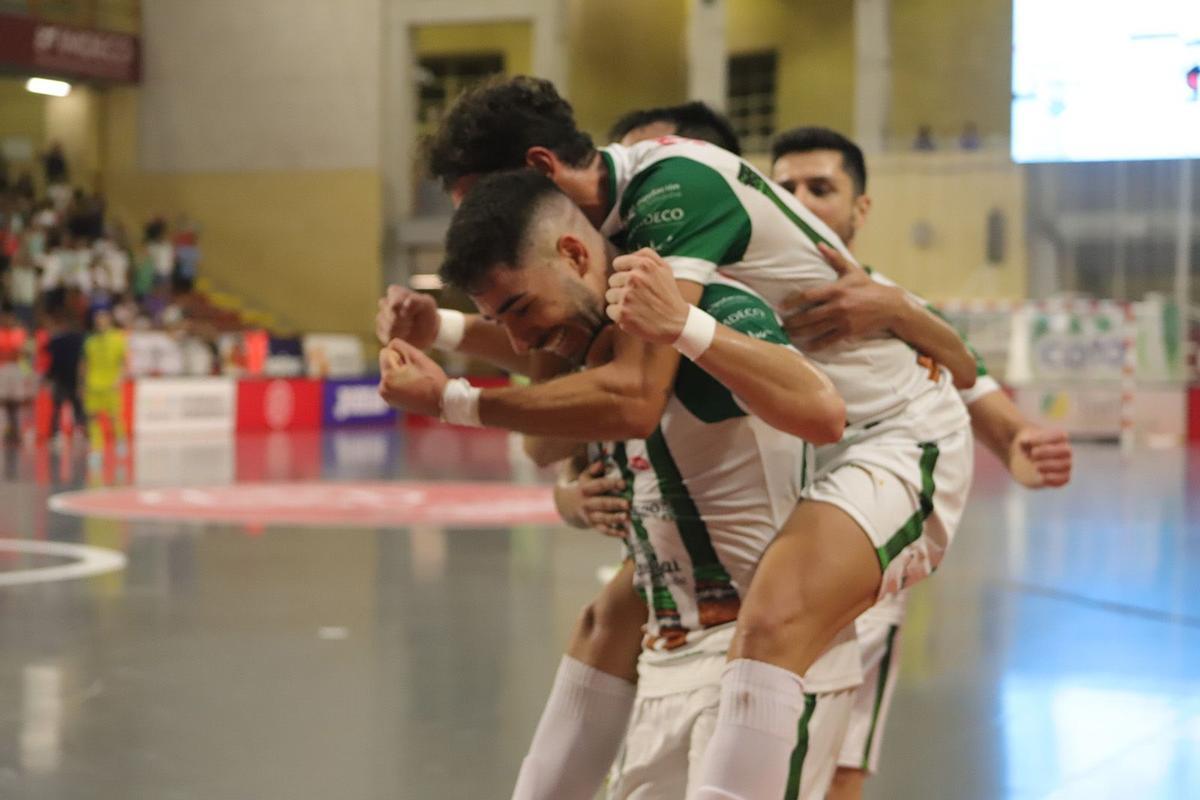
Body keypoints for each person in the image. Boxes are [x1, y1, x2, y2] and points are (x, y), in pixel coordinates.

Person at [380, 76, 978, 799]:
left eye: (487, 202)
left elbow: (631, 396)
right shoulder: (598, 248)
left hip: (891, 434)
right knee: (613, 616)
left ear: (540, 174)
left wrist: (450, 399)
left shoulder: (670, 198)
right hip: (800, 448)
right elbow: (552, 371)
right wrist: (441, 330)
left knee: (778, 613)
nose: (491, 222)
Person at [770, 125, 1074, 799]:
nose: (801, 199)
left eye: (822, 187)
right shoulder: (739, 295)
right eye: (784, 186)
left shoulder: (900, 309)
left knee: (839, 767)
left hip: (862, 575)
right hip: (755, 569)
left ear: (861, 208)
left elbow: (987, 406)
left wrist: (1020, 441)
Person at [81, 308, 127, 459]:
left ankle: (120, 441)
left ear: (109, 321)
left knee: (114, 416)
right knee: (93, 417)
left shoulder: (118, 339)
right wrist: (82, 383)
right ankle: (96, 448)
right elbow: (85, 363)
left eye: (103, 320)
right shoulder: (90, 341)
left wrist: (119, 378)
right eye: (97, 320)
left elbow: (124, 362)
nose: (100, 323)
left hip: (110, 385)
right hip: (93, 384)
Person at [44, 311, 86, 448]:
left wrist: (49, 376)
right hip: (73, 378)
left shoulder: (57, 340)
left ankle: (56, 433)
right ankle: (80, 431)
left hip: (61, 377)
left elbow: (51, 358)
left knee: (58, 406)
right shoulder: (81, 340)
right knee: (76, 405)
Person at [0, 308, 32, 444]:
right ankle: (7, 430)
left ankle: (17, 430)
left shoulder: (19, 333)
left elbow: (26, 351)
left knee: (17, 402)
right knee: (4, 401)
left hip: (16, 368)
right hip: (3, 368)